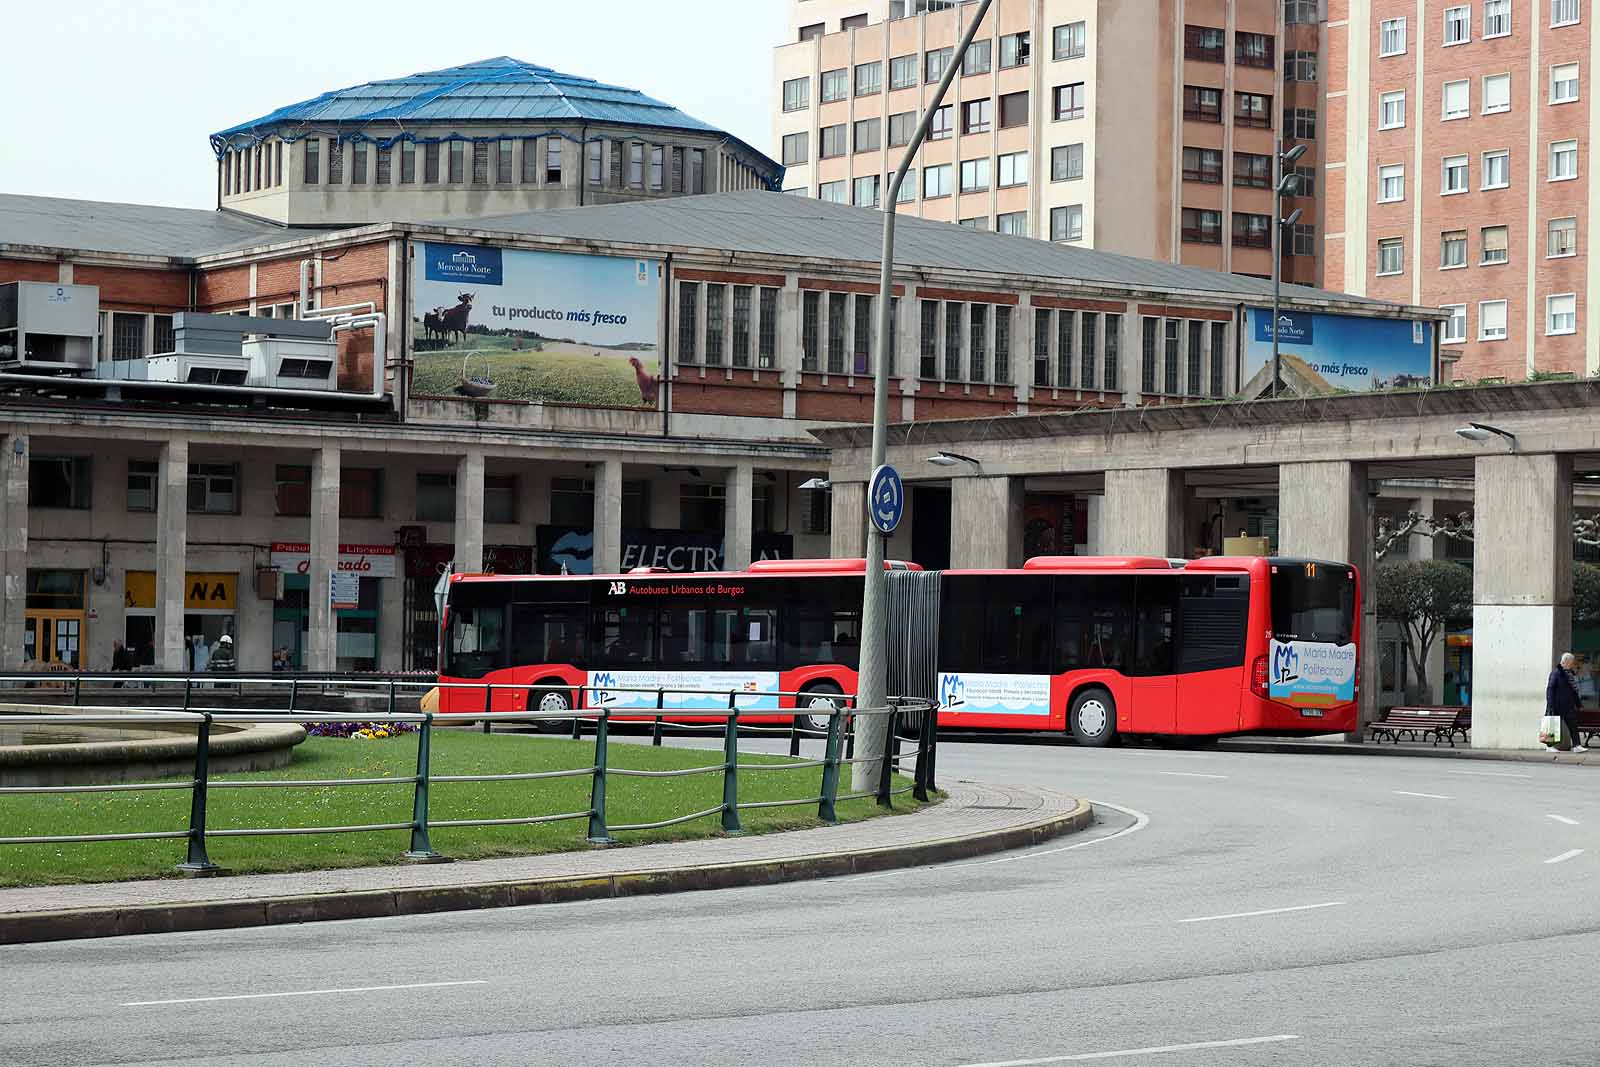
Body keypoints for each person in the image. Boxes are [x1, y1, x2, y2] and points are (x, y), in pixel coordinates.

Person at [1545, 652, 1587, 753]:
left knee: (1573, 724)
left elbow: (1574, 691)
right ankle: (1549, 746)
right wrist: (1550, 704)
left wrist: (1578, 704)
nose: (1573, 664)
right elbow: (1550, 689)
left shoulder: (1569, 674)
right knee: (1552, 724)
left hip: (1568, 705)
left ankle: (1577, 745)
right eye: (1572, 662)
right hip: (1557, 704)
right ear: (1566, 662)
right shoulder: (1556, 673)